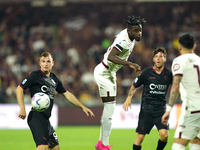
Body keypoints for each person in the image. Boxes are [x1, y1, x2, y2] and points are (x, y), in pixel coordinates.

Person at [16, 52, 94, 150]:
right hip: (36, 116)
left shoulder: (55, 79)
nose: (45, 64)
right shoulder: (34, 75)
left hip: (46, 120)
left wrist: (82, 106)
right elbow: (19, 88)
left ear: (52, 63)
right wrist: (22, 108)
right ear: (40, 63)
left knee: (55, 148)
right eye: (43, 61)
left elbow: (66, 94)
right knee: (43, 147)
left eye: (48, 61)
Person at [94, 15, 146, 150]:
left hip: (110, 73)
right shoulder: (124, 40)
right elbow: (111, 56)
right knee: (110, 108)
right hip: (103, 72)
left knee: (110, 108)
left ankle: (101, 143)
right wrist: (130, 64)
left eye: (140, 30)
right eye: (136, 31)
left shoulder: (130, 36)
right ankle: (103, 144)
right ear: (129, 31)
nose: (139, 33)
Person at [123, 47, 173, 150]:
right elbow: (134, 86)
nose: (158, 58)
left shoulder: (169, 74)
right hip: (147, 110)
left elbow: (177, 86)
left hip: (161, 110)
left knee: (165, 136)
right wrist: (128, 99)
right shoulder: (146, 73)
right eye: (156, 57)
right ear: (153, 59)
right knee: (140, 138)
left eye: (161, 56)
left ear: (165, 59)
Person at [162, 33, 200, 150]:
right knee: (196, 141)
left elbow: (175, 86)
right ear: (194, 46)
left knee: (178, 145)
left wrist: (168, 110)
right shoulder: (199, 60)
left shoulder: (179, 61)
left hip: (192, 108)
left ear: (179, 47)